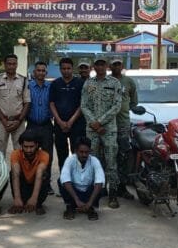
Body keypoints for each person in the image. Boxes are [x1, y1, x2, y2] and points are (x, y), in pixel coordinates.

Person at [80, 58, 122, 209]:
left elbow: (117, 106)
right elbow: (83, 105)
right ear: (94, 66)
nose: (100, 67)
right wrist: (94, 124)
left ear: (107, 66)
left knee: (111, 162)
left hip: (109, 129)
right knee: (92, 162)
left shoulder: (115, 83)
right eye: (97, 64)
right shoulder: (88, 83)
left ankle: (113, 195)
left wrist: (101, 122)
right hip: (92, 130)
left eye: (102, 64)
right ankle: (94, 193)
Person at [49, 57, 85, 177]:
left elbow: (82, 104)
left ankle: (78, 180)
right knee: (62, 154)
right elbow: (52, 103)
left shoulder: (80, 83)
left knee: (78, 154)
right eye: (63, 68)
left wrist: (70, 122)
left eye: (68, 68)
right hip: (60, 126)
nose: (66, 71)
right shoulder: (55, 84)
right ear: (60, 69)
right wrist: (59, 121)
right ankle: (64, 180)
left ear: (72, 69)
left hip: (77, 125)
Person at [110, 57, 138, 200]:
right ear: (110, 66)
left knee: (123, 156)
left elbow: (134, 102)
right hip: (108, 125)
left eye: (118, 64)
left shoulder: (129, 82)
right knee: (108, 157)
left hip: (123, 125)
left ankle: (122, 187)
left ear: (122, 66)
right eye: (114, 64)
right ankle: (107, 188)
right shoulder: (106, 81)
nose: (116, 66)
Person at [0, 54, 30, 155]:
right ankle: (1, 171)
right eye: (9, 64)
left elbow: (27, 103)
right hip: (2, 121)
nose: (11, 66)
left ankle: (16, 171)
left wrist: (19, 120)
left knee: (20, 151)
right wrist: (4, 120)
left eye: (14, 64)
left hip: (18, 122)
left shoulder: (23, 80)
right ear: (4, 65)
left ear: (17, 65)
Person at [59, 137, 105, 221]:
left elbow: (99, 182)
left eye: (86, 152)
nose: (84, 155)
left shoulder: (95, 161)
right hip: (74, 193)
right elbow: (65, 179)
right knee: (61, 181)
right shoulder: (70, 160)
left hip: (89, 193)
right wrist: (77, 200)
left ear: (90, 151)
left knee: (100, 185)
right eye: (81, 152)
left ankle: (90, 208)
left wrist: (89, 203)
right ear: (76, 151)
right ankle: (70, 206)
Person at [26, 61, 54, 193]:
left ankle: (46, 183)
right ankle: (31, 181)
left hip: (46, 125)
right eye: (39, 70)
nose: (41, 73)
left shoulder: (51, 86)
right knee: (31, 153)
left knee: (47, 155)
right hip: (32, 124)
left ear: (46, 73)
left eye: (43, 71)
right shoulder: (28, 86)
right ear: (34, 72)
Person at [8, 132, 49, 215]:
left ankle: (38, 204)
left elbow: (39, 174)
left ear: (37, 145)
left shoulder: (44, 155)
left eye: (31, 147)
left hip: (36, 184)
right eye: (25, 147)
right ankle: (19, 201)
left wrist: (34, 198)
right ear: (21, 146)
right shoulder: (15, 154)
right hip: (23, 185)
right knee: (13, 171)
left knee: (44, 174)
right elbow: (15, 175)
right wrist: (17, 198)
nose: (28, 150)